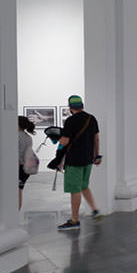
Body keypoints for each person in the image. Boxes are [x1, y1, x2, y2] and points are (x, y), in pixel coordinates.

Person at [57, 95, 102, 230]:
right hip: (88, 159)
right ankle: (95, 209)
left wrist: (57, 138)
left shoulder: (70, 121)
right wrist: (97, 156)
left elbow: (64, 141)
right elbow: (96, 139)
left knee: (75, 190)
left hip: (74, 160)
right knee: (83, 185)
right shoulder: (91, 118)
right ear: (82, 105)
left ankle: (74, 220)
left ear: (70, 108)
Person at [18, 116, 35, 210]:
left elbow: (16, 154)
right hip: (25, 168)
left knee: (16, 192)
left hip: (18, 167)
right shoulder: (28, 137)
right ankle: (15, 214)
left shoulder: (16, 136)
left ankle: (13, 216)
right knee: (19, 191)